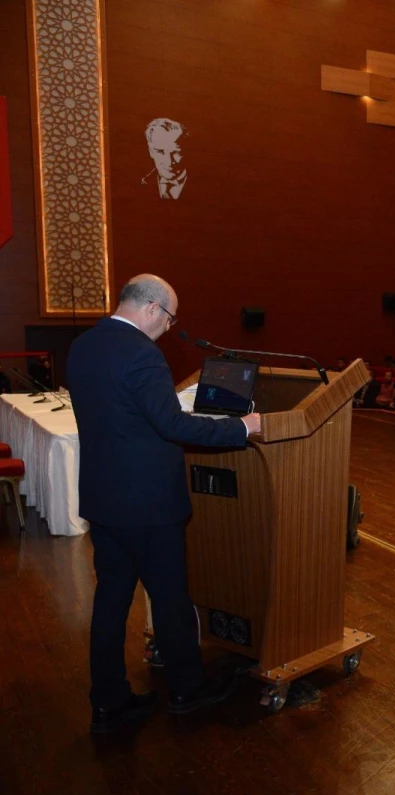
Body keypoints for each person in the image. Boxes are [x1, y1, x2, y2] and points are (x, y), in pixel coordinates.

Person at [67, 275, 261, 734]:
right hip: (149, 505)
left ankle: (108, 702)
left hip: (104, 499)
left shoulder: (84, 346)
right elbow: (174, 426)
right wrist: (243, 427)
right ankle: (187, 689)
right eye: (170, 319)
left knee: (111, 603)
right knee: (172, 601)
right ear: (152, 308)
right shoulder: (142, 355)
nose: (169, 329)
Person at [143, 118, 187, 199]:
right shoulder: (142, 184)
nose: (169, 162)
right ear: (151, 151)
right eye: (160, 152)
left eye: (176, 152)